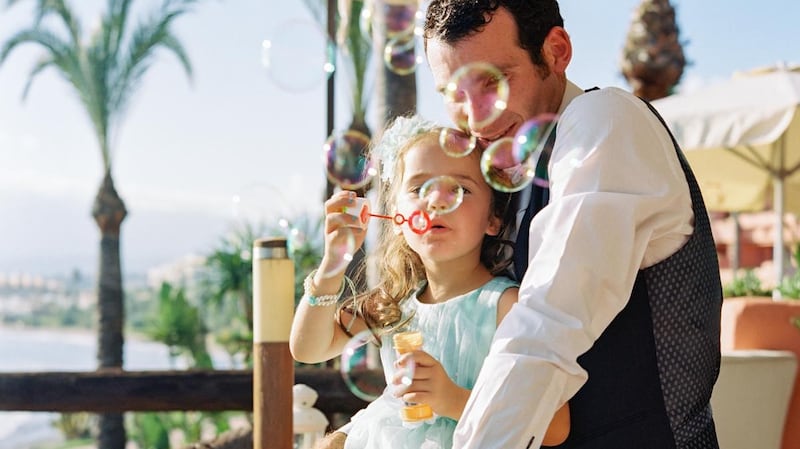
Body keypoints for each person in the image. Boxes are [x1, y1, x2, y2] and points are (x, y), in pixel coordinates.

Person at [422, 1, 723, 448]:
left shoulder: (605, 120)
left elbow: (547, 322)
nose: (475, 116)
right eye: (453, 95)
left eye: (492, 81)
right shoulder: (512, 171)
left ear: (557, 51)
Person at [289, 115, 570, 449]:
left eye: (460, 189)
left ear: (493, 219)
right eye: (420, 188)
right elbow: (308, 347)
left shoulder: (503, 307)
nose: (436, 201)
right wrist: (333, 264)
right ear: (396, 215)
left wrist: (452, 400)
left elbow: (554, 426)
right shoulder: (392, 303)